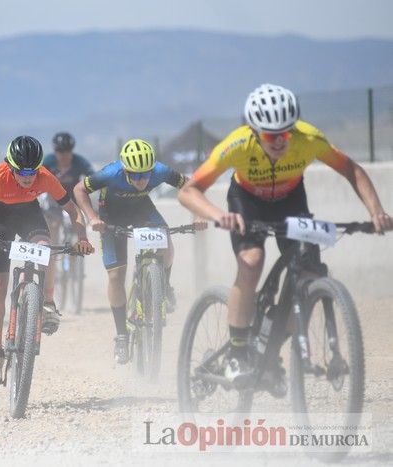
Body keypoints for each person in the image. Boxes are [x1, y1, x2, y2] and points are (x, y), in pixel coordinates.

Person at [178, 83, 393, 389]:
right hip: (247, 203)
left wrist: (377, 212)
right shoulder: (236, 145)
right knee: (252, 261)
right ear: (254, 132)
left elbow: (352, 170)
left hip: (291, 202)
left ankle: (270, 350)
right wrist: (218, 215)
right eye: (269, 135)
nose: (279, 141)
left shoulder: (310, 139)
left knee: (308, 274)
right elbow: (189, 191)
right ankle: (238, 353)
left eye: (285, 134)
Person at [0, 135, 94, 386]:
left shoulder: (45, 177)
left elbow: (73, 211)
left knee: (46, 247)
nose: (28, 177)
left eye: (32, 171)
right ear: (10, 166)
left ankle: (48, 303)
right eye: (21, 171)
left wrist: (82, 237)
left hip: (29, 215)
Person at [74, 138, 187, 364]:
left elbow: (189, 185)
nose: (141, 180)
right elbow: (79, 190)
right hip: (110, 216)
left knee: (166, 240)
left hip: (142, 210)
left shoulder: (160, 171)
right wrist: (93, 218)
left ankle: (163, 286)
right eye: (135, 175)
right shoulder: (111, 173)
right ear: (125, 169)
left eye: (145, 174)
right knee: (116, 276)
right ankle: (122, 336)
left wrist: (199, 213)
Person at [41, 132, 95, 299]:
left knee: (77, 227)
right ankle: (53, 254)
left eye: (67, 151)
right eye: (60, 151)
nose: (63, 155)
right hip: (52, 203)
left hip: (71, 203)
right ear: (55, 151)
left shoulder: (80, 162)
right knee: (53, 228)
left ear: (72, 151)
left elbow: (93, 177)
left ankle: (73, 259)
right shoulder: (48, 162)